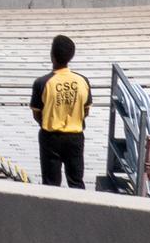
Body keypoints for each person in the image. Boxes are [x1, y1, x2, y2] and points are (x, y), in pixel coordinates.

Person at [31, 35, 91, 189]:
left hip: (50, 137)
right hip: (75, 137)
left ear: (52, 55)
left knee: (51, 184)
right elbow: (86, 110)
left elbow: (37, 114)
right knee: (76, 181)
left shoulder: (42, 83)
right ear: (71, 55)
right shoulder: (82, 81)